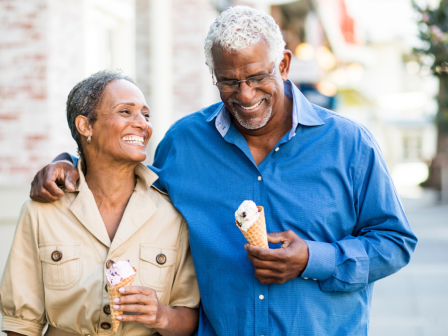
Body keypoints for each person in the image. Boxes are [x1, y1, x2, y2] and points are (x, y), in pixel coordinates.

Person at [28, 6, 417, 336]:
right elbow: (126, 184)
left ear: (283, 64)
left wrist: (314, 259)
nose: (244, 95)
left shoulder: (348, 143)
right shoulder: (185, 143)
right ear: (213, 74)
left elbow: (395, 241)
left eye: (256, 77)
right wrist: (69, 159)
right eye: (228, 81)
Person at [0, 71, 200, 336]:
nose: (142, 124)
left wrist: (161, 315)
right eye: (125, 112)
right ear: (85, 126)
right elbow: (21, 326)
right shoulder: (41, 212)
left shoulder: (172, 215)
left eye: (146, 114)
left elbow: (189, 317)